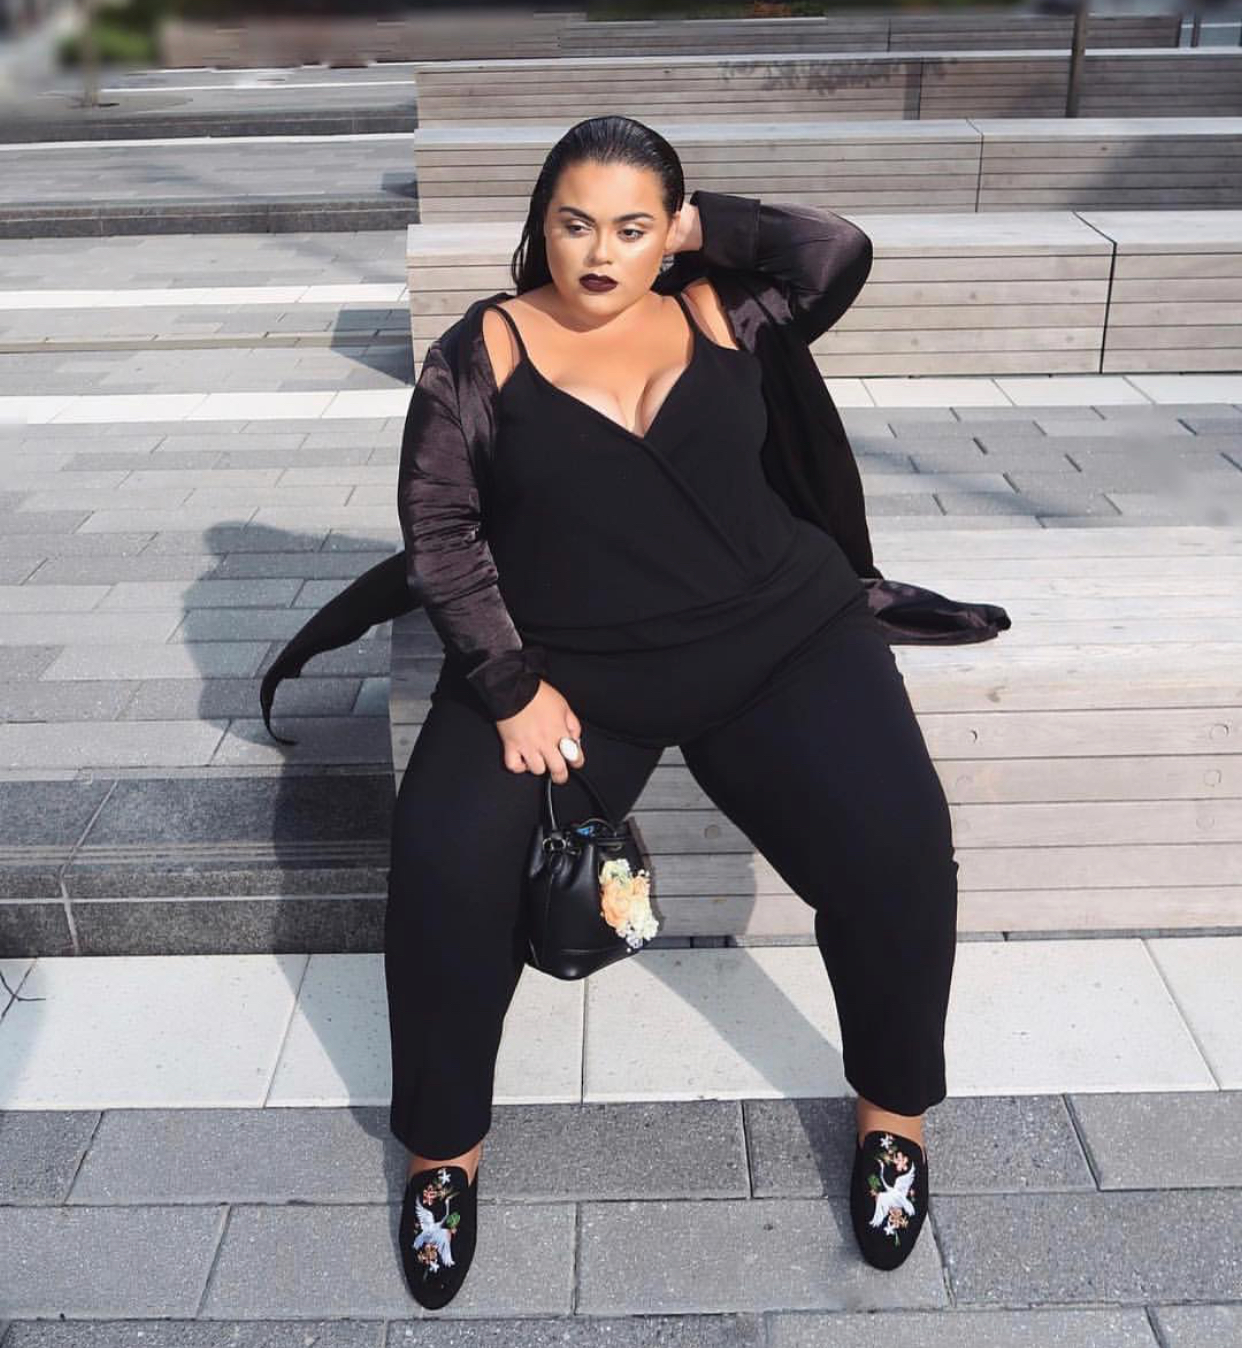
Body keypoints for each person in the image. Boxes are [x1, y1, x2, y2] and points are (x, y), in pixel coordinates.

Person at [385, 116, 961, 1309]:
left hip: (783, 637)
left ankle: (894, 1115)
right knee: (445, 867)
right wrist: (509, 686)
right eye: (575, 223)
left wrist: (709, 228)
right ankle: (445, 1150)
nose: (600, 252)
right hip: (573, 673)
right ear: (540, 224)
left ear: (672, 229)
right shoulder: (478, 353)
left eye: (633, 226)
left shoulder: (720, 307)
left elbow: (835, 251)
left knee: (900, 848)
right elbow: (439, 531)